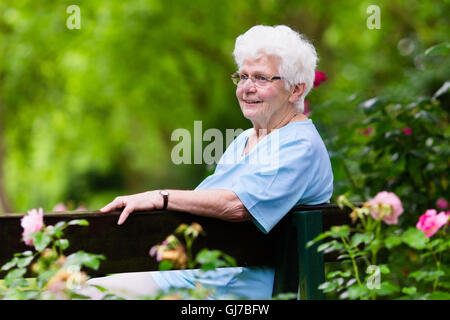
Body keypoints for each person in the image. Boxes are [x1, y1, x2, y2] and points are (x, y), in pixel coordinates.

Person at [81, 24, 333, 300]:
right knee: (78, 290)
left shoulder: (299, 145)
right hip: (197, 276)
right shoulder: (246, 139)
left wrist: (160, 197)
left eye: (261, 78)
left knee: (86, 294)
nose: (247, 88)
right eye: (243, 76)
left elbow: (237, 205)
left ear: (296, 91)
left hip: (232, 291)